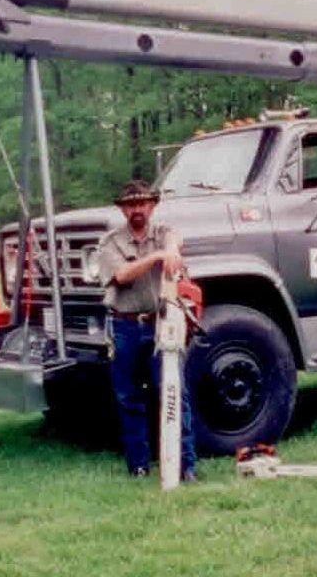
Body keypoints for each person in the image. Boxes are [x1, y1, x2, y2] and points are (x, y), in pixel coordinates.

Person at [97, 179, 197, 480]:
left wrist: (169, 249)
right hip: (124, 326)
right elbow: (123, 274)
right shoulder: (110, 243)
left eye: (142, 203)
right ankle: (138, 465)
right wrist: (156, 257)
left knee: (173, 392)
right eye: (130, 205)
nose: (137, 209)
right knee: (129, 398)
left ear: (152, 206)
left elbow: (176, 239)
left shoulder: (164, 232)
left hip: (162, 324)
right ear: (123, 210)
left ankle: (185, 465)